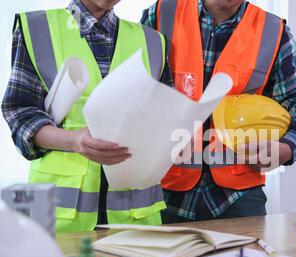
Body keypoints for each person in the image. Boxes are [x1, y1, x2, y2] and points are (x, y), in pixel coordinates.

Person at [141, 0, 296, 223]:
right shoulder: (161, 14)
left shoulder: (272, 31)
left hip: (238, 197)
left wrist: (287, 147)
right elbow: (135, 90)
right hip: (164, 190)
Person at [2, 0, 171, 232]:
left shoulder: (153, 41)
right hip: (62, 220)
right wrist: (74, 141)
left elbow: (164, 118)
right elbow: (21, 113)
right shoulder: (38, 29)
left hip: (137, 219)